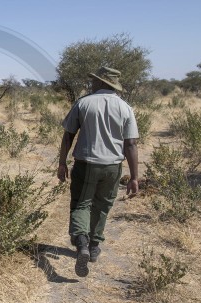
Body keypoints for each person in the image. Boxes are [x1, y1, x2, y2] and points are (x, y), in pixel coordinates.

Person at [57, 66, 139, 277]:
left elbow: (68, 136)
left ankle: (81, 242)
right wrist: (134, 177)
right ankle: (94, 246)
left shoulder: (84, 102)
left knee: (81, 203)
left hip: (86, 164)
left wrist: (62, 163)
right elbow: (130, 144)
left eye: (94, 80)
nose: (91, 83)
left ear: (102, 83)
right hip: (112, 167)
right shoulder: (125, 107)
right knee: (102, 205)